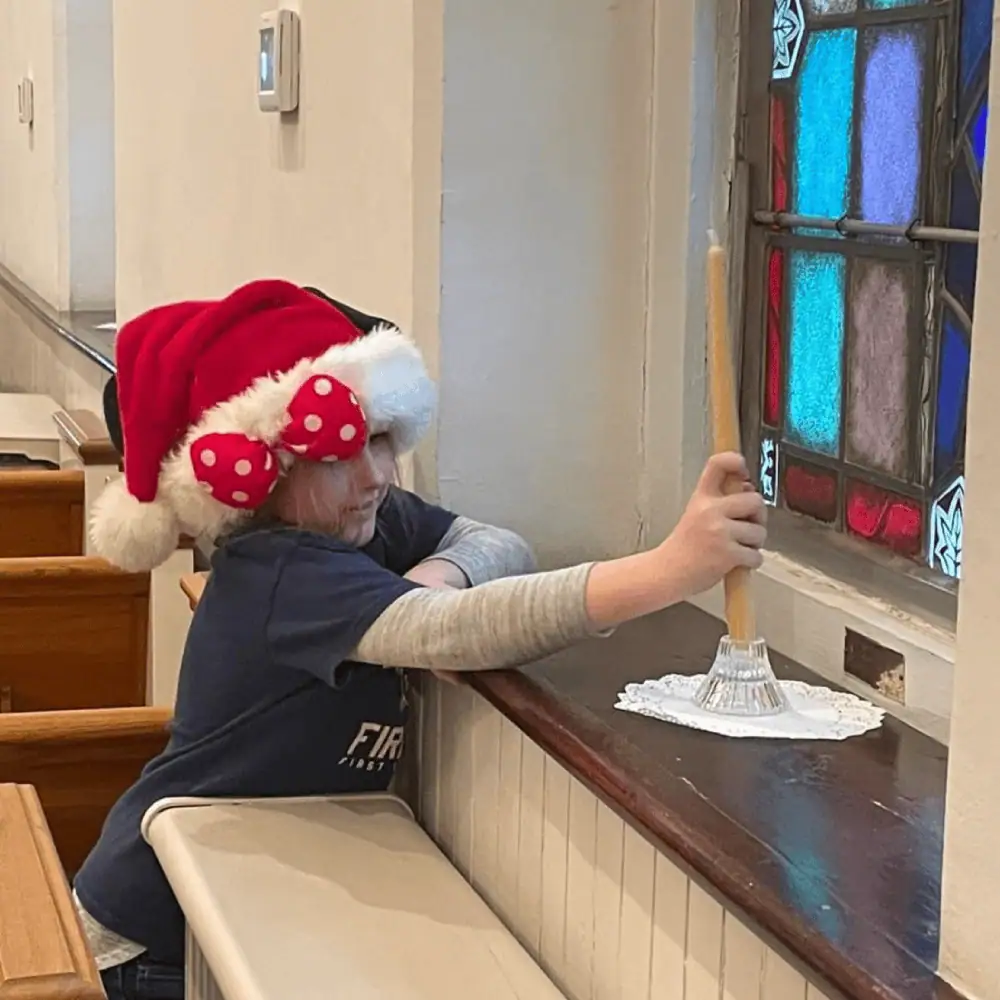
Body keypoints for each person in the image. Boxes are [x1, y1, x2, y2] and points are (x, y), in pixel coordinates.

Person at [75, 280, 766, 1000]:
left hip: (255, 885)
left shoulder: (353, 515)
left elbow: (497, 543)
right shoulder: (279, 569)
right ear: (264, 473)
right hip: (159, 931)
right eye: (338, 453)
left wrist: (433, 577)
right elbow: (462, 633)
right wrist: (666, 569)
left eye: (381, 440)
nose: (375, 474)